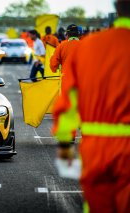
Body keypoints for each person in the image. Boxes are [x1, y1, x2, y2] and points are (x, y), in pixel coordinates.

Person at [53, 0, 130, 212]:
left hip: (97, 147)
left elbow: (70, 100)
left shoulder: (90, 46)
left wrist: (65, 144)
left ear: (116, 8)